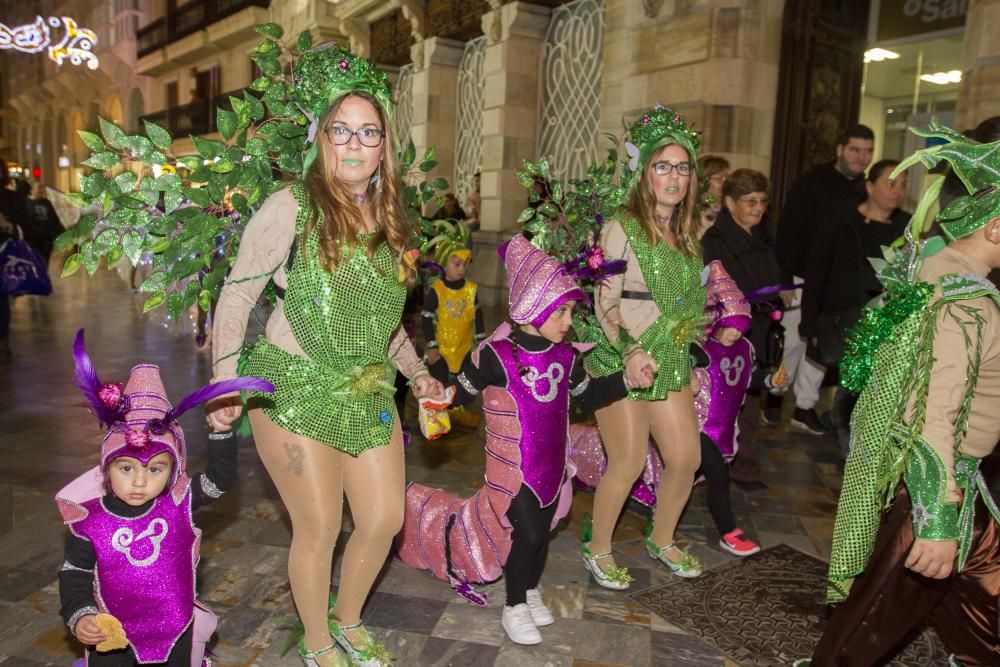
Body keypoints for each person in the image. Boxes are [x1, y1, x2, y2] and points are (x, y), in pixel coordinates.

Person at [206, 44, 444, 667]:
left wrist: (418, 376)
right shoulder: (290, 206)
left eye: (370, 131)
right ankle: (316, 641)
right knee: (319, 527)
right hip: (293, 388)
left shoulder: (394, 219)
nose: (356, 142)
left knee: (384, 520)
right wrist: (225, 384)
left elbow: (384, 325)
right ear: (321, 138)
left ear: (384, 145)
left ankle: (349, 618)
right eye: (342, 129)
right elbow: (236, 299)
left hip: (366, 392)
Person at [802, 125, 1000, 666]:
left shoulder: (940, 274)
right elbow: (933, 407)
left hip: (962, 483)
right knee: (871, 620)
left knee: (981, 608)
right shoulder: (963, 300)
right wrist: (937, 520)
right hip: (939, 484)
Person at [397, 235, 654, 645]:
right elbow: (461, 392)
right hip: (512, 470)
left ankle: (530, 589)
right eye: (562, 312)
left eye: (571, 311)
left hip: (552, 467)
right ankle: (514, 605)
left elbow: (588, 396)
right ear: (533, 308)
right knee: (529, 534)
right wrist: (437, 397)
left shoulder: (567, 356)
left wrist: (627, 380)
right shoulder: (497, 355)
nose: (569, 322)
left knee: (542, 535)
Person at [57, 330, 272, 666]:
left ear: (173, 470)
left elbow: (219, 480)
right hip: (114, 638)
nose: (140, 481)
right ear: (106, 467)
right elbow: (74, 574)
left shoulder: (179, 502)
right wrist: (80, 615)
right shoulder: (89, 521)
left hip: (176, 631)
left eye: (155, 469)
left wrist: (220, 432)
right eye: (126, 469)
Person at [571, 260, 782, 557]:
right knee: (637, 464)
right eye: (729, 326)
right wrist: (691, 375)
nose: (734, 334)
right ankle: (725, 530)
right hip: (697, 422)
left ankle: (661, 534)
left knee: (684, 468)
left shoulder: (744, 350)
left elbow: (747, 378)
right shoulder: (701, 350)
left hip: (721, 427)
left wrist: (772, 380)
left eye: (740, 328)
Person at [579, 105, 706, 585]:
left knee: (686, 459)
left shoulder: (689, 236)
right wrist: (630, 351)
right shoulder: (622, 226)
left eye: (682, 167)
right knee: (629, 461)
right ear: (643, 172)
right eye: (662, 166)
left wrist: (701, 341)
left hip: (669, 359)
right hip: (620, 358)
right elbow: (604, 300)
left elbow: (689, 304)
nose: (673, 176)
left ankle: (663, 537)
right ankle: (598, 545)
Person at [800, 159, 910, 457]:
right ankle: (850, 446)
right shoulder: (841, 221)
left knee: (876, 389)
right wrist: (810, 323)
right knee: (852, 384)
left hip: (888, 322)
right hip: (844, 319)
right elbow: (818, 272)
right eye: (890, 182)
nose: (897, 190)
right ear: (870, 185)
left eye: (902, 184)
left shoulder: (907, 228)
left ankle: (863, 444)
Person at [773, 125, 875, 433]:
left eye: (868, 151)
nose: (861, 157)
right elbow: (788, 231)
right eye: (855, 150)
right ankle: (774, 398)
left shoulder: (864, 190)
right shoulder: (812, 183)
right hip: (801, 276)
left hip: (834, 285)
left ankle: (804, 407)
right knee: (791, 342)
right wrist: (783, 280)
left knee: (821, 346)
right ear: (840, 149)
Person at [701, 169, 783, 493]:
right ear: (730, 202)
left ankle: (744, 463)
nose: (758, 208)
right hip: (731, 332)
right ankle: (721, 464)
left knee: (752, 400)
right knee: (726, 401)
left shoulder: (763, 237)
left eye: (763, 201)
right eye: (750, 201)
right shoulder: (715, 241)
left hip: (761, 328)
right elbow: (717, 286)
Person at [421, 222, 485, 428]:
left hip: (465, 347)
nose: (461, 268)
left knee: (465, 383)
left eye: (464, 265)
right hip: (441, 349)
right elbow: (425, 319)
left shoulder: (471, 289)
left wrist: (482, 343)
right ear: (444, 264)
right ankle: (437, 419)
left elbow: (479, 317)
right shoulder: (437, 290)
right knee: (439, 385)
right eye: (456, 264)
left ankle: (458, 412)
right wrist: (431, 345)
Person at [0, 158, 31, 361]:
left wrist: (7, 226)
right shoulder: (12, 198)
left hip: (3, 255)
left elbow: (22, 228)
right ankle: (4, 342)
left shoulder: (12, 198)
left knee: (1, 300)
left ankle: (3, 342)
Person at [27, 180, 63, 265]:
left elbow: (54, 220)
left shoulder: (46, 202)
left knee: (45, 262)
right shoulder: (27, 203)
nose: (41, 190)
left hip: (47, 240)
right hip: (34, 240)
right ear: (32, 189)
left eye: (42, 188)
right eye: (39, 187)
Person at [697, 155, 730, 237]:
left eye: (727, 178)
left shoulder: (727, 206)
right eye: (719, 179)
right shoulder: (691, 211)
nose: (726, 183)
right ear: (702, 182)